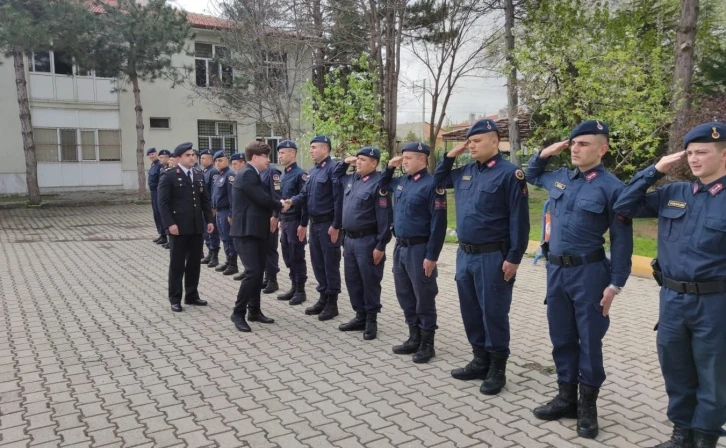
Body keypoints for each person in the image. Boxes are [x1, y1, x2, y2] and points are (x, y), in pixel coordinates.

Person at [613, 122, 726, 448]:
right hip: (672, 299)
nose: (693, 158)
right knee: (675, 369)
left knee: (714, 375)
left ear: (723, 155)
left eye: (702, 152)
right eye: (690, 153)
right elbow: (623, 206)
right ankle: (681, 435)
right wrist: (655, 170)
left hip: (715, 303)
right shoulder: (674, 193)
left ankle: (705, 439)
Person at [526, 120, 633, 440]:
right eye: (573, 143)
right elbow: (531, 175)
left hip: (589, 274)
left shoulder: (613, 188)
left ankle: (588, 407)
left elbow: (622, 240)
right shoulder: (560, 178)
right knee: (561, 337)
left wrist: (616, 284)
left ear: (603, 149)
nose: (575, 148)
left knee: (589, 341)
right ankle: (565, 398)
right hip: (556, 272)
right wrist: (544, 153)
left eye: (584, 144)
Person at [434, 118, 530, 396]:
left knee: (494, 312)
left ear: (494, 141)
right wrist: (450, 156)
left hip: (493, 256)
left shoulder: (510, 175)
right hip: (465, 254)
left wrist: (514, 257)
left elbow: (519, 222)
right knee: (471, 310)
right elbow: (438, 181)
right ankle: (479, 359)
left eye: (476, 141)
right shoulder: (466, 172)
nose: (471, 146)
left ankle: (497, 368)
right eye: (469, 142)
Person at [380, 142, 446, 363]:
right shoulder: (402, 182)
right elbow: (382, 185)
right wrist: (389, 167)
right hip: (400, 247)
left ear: (422, 160)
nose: (404, 161)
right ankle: (413, 337)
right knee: (405, 294)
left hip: (420, 249)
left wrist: (432, 256)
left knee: (424, 297)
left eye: (408, 158)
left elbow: (439, 224)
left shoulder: (432, 185)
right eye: (403, 157)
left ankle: (427, 344)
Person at [332, 147, 392, 340]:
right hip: (348, 240)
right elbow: (335, 176)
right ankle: (360, 316)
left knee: (370, 281)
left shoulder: (378, 184)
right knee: (353, 281)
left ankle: (371, 320)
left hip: (368, 241)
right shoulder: (352, 180)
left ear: (374, 163)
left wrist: (380, 245)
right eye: (357, 159)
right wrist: (344, 162)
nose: (358, 162)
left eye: (363, 160)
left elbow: (384, 218)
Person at [285, 136, 343, 321]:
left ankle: (332, 303)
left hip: (328, 225)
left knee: (330, 264)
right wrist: (291, 201)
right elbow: (304, 194)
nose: (310, 151)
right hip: (315, 224)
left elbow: (338, 199)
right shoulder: (314, 171)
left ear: (325, 149)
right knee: (318, 263)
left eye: (313, 147)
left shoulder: (333, 169)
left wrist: (336, 225)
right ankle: (323, 298)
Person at [229, 141, 283, 332]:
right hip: (245, 232)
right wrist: (281, 204)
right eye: (266, 157)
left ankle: (254, 311)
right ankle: (238, 312)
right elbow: (262, 198)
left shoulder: (252, 173)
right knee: (252, 272)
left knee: (258, 272)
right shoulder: (247, 174)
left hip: (256, 231)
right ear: (255, 157)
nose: (268, 161)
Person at [157, 142, 214, 312]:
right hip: (178, 228)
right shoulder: (169, 176)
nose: (192, 158)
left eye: (193, 155)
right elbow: (163, 204)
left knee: (194, 263)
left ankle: (192, 295)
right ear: (179, 157)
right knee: (177, 264)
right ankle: (175, 298)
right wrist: (170, 224)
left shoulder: (198, 174)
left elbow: (205, 200)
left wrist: (209, 220)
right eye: (188, 155)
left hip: (196, 226)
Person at [275, 141, 309, 305]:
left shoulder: (300, 174)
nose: (280, 155)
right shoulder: (283, 174)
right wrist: (280, 219)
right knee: (288, 255)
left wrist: (303, 224)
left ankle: (301, 290)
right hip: (286, 221)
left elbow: (305, 201)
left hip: (296, 221)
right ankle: (293, 286)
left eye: (283, 152)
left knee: (297, 255)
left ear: (292, 154)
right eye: (279, 153)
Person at [211, 150, 239, 276]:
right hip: (219, 211)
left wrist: (232, 214)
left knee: (229, 238)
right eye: (216, 161)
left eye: (220, 160)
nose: (218, 163)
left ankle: (233, 264)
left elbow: (232, 196)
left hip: (227, 211)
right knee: (223, 238)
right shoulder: (218, 175)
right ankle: (228, 261)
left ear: (226, 161)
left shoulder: (230, 175)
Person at [260, 160, 283, 294]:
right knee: (263, 248)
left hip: (270, 216)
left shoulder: (273, 172)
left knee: (270, 248)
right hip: (262, 216)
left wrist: (275, 215)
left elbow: (276, 196)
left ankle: (273, 279)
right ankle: (267, 276)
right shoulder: (260, 171)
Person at [199, 149, 221, 268]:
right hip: (204, 206)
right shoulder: (204, 171)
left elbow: (214, 191)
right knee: (206, 232)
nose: (201, 160)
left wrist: (213, 206)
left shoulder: (213, 172)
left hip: (210, 207)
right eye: (201, 158)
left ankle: (214, 256)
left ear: (210, 159)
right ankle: (210, 253)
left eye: (204, 158)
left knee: (212, 232)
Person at [230, 152, 247, 281]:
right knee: (238, 243)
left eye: (236, 164)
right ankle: (246, 269)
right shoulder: (237, 176)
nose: (234, 166)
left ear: (243, 163)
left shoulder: (247, 176)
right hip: (237, 214)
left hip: (245, 216)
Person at [147, 147, 165, 245]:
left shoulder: (159, 165)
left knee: (160, 212)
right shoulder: (153, 165)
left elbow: (160, 180)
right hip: (153, 192)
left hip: (158, 192)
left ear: (156, 154)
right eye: (149, 155)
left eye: (153, 154)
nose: (151, 156)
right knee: (156, 214)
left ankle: (164, 235)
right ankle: (161, 233)